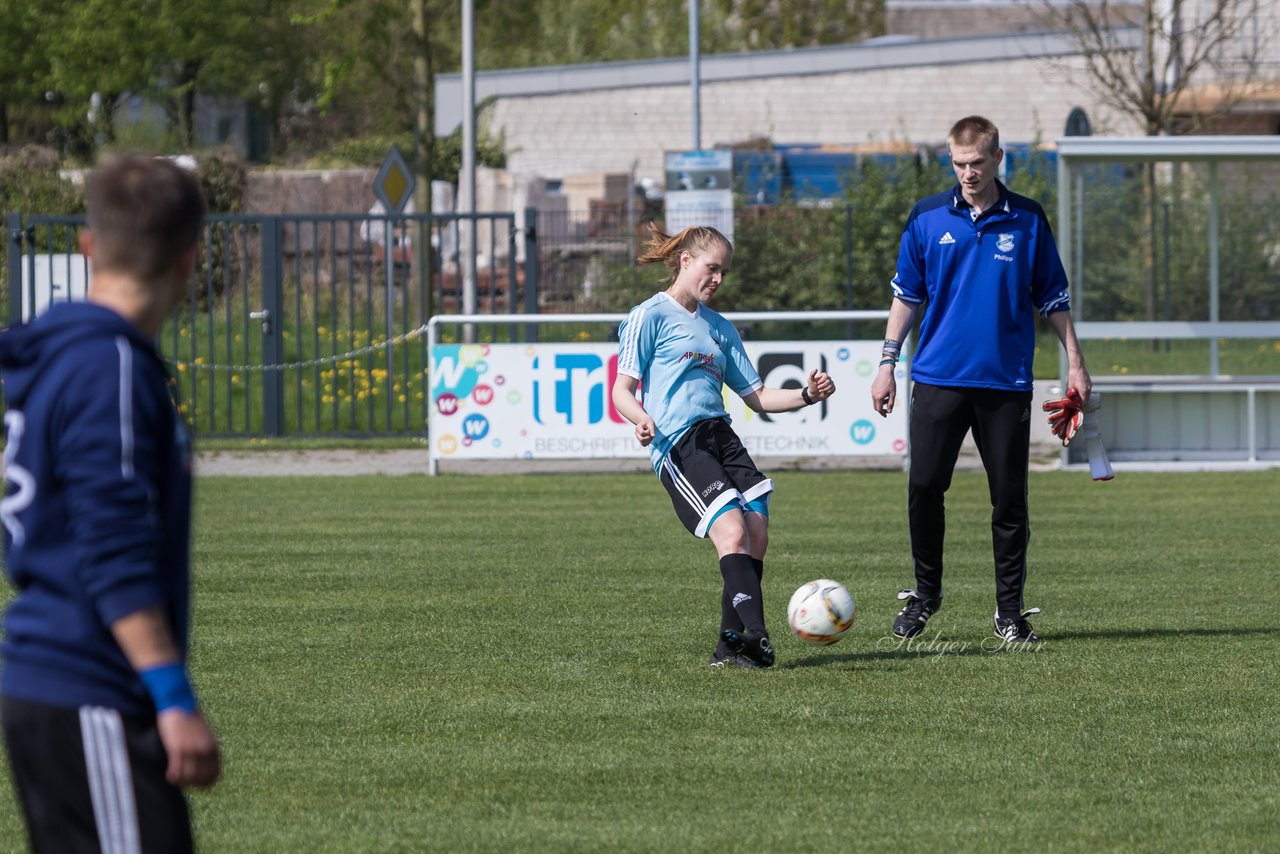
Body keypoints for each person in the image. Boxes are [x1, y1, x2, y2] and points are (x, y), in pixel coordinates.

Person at [1, 154, 220, 852]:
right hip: (87, 683)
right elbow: (112, 545)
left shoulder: (64, 356)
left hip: (55, 685)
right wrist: (173, 697)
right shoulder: (110, 367)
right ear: (191, 258)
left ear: (88, 246)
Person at [869, 115, 1091, 644]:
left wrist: (1076, 363)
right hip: (938, 378)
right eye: (958, 163)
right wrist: (887, 363)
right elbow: (907, 296)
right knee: (924, 486)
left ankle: (1010, 613)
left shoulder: (1029, 220)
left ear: (997, 158)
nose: (967, 173)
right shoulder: (925, 218)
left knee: (1009, 499)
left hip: (1005, 382)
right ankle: (925, 596)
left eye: (976, 163)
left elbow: (1053, 300)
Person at [612, 223, 836, 669]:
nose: (717, 279)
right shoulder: (649, 316)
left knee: (756, 534)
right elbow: (622, 390)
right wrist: (641, 420)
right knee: (731, 531)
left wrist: (808, 395)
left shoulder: (720, 328)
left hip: (722, 437)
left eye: (724, 273)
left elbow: (757, 396)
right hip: (680, 443)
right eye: (712, 268)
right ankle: (757, 636)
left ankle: (727, 648)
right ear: (686, 261)